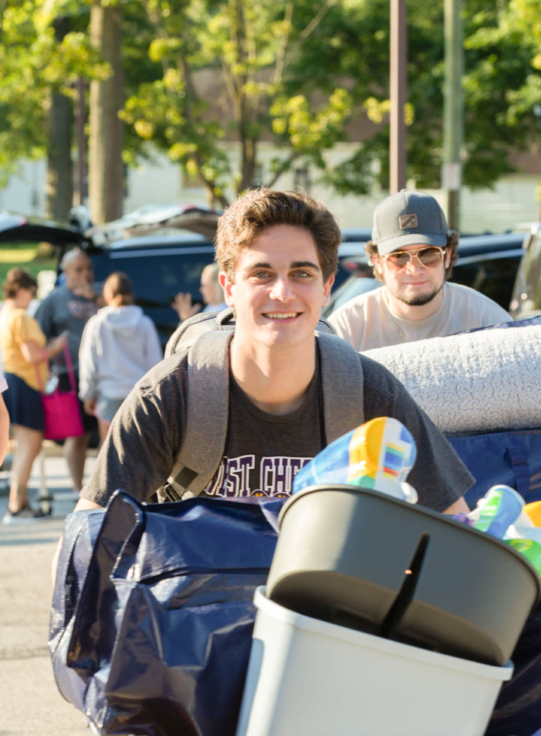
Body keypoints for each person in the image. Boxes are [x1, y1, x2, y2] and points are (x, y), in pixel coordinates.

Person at [71, 188, 474, 518]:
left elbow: (458, 525)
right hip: (193, 614)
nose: (283, 292)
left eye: (302, 273)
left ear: (327, 287)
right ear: (229, 288)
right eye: (262, 274)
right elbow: (84, 541)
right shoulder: (169, 397)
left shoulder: (369, 392)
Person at [328, 190, 511, 351]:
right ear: (378, 263)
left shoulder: (486, 319)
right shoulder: (347, 328)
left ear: (447, 256)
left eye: (428, 253)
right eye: (399, 257)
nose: (414, 269)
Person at [0, 269, 67, 522]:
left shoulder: (5, 314)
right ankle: (17, 504)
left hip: (13, 381)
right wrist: (54, 349)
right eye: (31, 291)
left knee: (25, 446)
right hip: (26, 382)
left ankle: (21, 501)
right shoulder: (21, 318)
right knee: (30, 445)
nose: (32, 297)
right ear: (22, 290)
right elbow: (32, 355)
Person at [35, 248, 102, 495]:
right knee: (77, 434)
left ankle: (102, 488)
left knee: (107, 432)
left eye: (88, 269)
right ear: (65, 273)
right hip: (69, 374)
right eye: (78, 270)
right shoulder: (53, 300)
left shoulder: (101, 294)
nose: (85, 275)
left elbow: (120, 311)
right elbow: (39, 337)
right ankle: (78, 489)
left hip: (102, 373)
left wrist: (96, 299)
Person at [79, 272, 163, 444]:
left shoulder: (97, 323)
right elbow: (155, 363)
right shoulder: (145, 323)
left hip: (108, 392)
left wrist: (87, 394)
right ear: (131, 294)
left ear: (107, 294)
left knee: (107, 448)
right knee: (137, 448)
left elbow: (88, 363)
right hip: (138, 395)